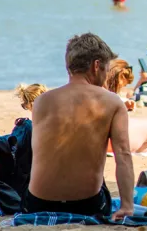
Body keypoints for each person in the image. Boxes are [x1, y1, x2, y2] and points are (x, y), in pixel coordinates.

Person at [26, 33, 134, 218]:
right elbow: (123, 155)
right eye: (107, 69)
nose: (107, 75)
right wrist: (127, 206)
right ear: (96, 65)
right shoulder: (112, 102)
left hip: (38, 203)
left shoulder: (42, 101)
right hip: (87, 205)